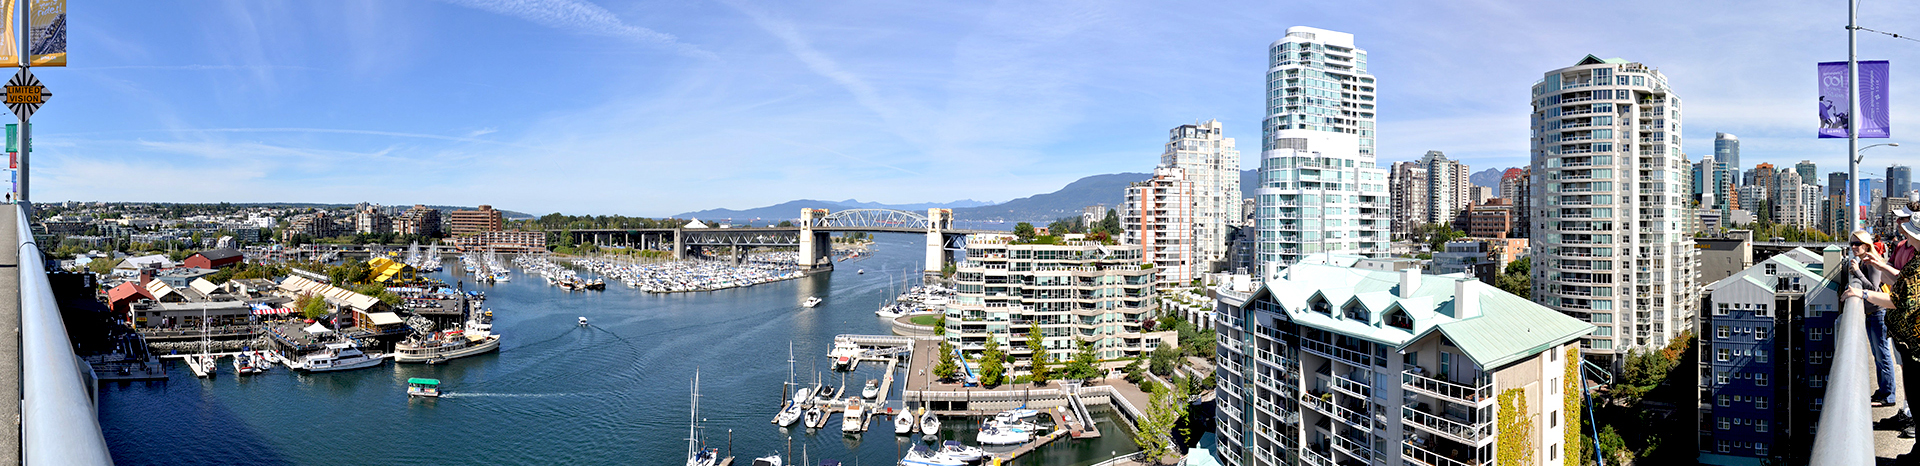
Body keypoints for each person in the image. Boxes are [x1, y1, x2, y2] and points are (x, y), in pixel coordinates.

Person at [1850, 219, 1920, 449]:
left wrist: (1862, 295)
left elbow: (1897, 299)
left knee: (1912, 388)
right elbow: (1899, 282)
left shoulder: (1918, 265)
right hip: (1909, 342)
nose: (1904, 233)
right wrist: (1881, 265)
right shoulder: (1915, 262)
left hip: (1914, 343)